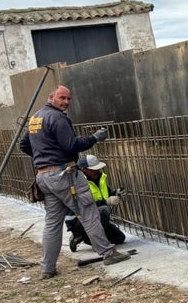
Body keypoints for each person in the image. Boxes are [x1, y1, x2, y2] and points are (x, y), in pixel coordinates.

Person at [19, 85, 131, 278]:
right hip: (64, 175)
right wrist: (95, 138)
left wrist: (44, 157)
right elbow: (71, 145)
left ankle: (47, 269)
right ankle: (108, 253)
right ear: (51, 97)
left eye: (69, 99)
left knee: (52, 222)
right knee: (89, 212)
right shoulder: (58, 118)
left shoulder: (36, 118)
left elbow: (24, 145)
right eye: (62, 98)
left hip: (43, 177)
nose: (66, 102)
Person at [66, 154, 126, 252]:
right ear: (84, 169)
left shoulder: (99, 178)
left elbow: (106, 194)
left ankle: (83, 237)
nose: (97, 171)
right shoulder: (78, 181)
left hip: (94, 218)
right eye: (93, 169)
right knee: (104, 210)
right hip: (78, 220)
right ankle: (92, 240)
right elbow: (83, 205)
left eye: (97, 169)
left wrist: (116, 193)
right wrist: (107, 201)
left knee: (119, 238)